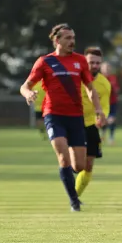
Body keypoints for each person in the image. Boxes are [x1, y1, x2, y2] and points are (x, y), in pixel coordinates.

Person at [20, 23, 106, 212]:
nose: (72, 41)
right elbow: (25, 85)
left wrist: (98, 109)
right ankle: (74, 201)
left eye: (73, 38)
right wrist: (28, 94)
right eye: (68, 38)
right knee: (63, 158)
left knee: (80, 165)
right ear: (56, 40)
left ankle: (69, 179)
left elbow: (90, 88)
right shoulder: (45, 62)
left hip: (76, 117)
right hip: (53, 116)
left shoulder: (80, 61)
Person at [75, 47, 111, 199]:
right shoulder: (74, 78)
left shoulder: (104, 84)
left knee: (88, 165)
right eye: (91, 62)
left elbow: (105, 106)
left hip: (91, 125)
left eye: (97, 63)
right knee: (75, 164)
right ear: (84, 61)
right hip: (73, 122)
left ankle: (75, 198)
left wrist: (102, 117)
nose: (94, 66)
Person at [100, 62, 120, 145]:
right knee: (103, 120)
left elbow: (117, 90)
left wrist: (113, 89)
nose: (107, 70)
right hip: (102, 104)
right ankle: (103, 134)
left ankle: (111, 137)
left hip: (112, 103)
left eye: (108, 68)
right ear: (101, 69)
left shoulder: (113, 78)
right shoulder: (98, 78)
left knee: (112, 120)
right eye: (105, 68)